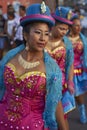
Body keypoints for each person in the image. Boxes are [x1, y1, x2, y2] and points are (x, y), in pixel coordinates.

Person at [0, 2, 68, 130]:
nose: (43, 38)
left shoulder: (51, 69)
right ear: (25, 34)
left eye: (47, 33)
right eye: (38, 32)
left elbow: (56, 102)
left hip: (33, 126)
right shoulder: (9, 58)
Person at [45, 6, 75, 130]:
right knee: (44, 118)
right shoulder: (42, 39)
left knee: (61, 118)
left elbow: (70, 64)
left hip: (60, 86)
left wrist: (70, 81)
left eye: (66, 29)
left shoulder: (66, 43)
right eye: (61, 28)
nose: (64, 32)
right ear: (53, 25)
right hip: (43, 85)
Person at [67, 13, 87, 124]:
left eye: (80, 25)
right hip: (66, 71)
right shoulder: (64, 40)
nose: (79, 28)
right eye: (76, 25)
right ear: (70, 26)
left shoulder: (84, 40)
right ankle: (63, 115)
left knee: (78, 94)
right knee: (64, 95)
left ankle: (82, 112)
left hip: (79, 71)